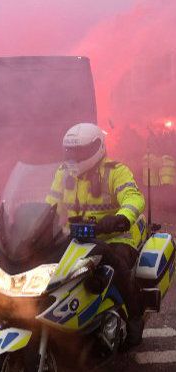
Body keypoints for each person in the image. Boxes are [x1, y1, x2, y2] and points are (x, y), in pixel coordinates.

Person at [45, 123, 146, 346]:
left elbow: (134, 197)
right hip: (79, 236)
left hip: (116, 237)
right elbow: (51, 205)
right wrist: (37, 223)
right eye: (69, 151)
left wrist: (121, 218)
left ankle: (134, 318)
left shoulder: (116, 171)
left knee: (115, 266)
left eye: (78, 152)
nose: (73, 157)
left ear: (96, 148)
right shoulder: (63, 173)